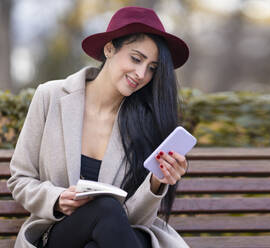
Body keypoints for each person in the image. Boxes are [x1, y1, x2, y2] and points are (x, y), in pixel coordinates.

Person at [7, 6, 190, 248]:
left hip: (111, 236)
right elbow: (20, 179)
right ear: (109, 48)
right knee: (105, 208)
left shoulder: (144, 121)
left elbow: (132, 220)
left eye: (152, 68)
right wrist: (57, 199)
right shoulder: (50, 96)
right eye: (136, 59)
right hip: (57, 234)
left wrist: (157, 181)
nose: (141, 73)